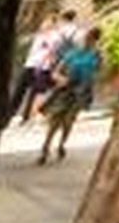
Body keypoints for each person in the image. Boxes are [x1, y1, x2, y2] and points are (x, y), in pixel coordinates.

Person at [37, 24, 100, 163]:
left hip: (80, 91)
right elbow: (56, 72)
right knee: (55, 120)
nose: (86, 40)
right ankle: (45, 149)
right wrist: (61, 79)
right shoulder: (72, 53)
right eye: (85, 38)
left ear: (95, 40)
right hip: (65, 89)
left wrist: (88, 84)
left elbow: (97, 73)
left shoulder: (97, 55)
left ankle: (61, 145)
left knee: (68, 121)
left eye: (90, 38)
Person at [15, 15, 71, 124]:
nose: (43, 24)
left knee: (35, 92)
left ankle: (30, 115)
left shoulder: (55, 37)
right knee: (22, 90)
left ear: (53, 24)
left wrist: (41, 66)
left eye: (46, 22)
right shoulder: (39, 36)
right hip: (30, 65)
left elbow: (50, 53)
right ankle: (23, 114)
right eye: (44, 22)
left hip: (42, 67)